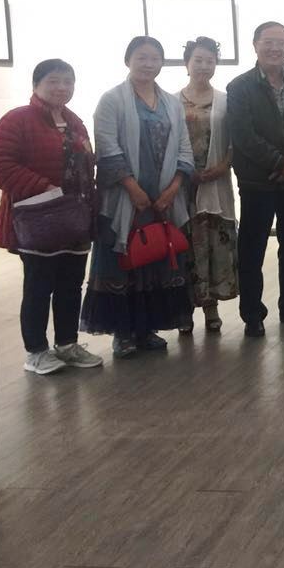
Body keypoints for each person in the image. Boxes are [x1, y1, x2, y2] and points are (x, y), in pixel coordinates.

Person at [81, 36, 195, 358]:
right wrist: (133, 188)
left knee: (155, 258)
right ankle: (123, 333)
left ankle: (146, 330)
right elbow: (107, 147)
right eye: (142, 57)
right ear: (128, 60)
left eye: (155, 58)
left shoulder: (171, 102)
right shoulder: (111, 100)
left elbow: (184, 148)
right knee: (123, 263)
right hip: (124, 200)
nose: (148, 64)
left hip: (163, 201)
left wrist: (172, 189)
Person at [0, 59, 103, 374]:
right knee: (38, 287)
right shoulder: (17, 120)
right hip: (39, 219)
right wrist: (46, 189)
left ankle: (67, 345)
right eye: (54, 81)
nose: (62, 87)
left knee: (71, 285)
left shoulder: (75, 121)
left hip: (75, 219)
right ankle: (36, 352)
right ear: (36, 84)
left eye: (68, 81)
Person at [227, 21, 284, 337]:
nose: (275, 48)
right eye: (268, 41)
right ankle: (253, 314)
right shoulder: (239, 87)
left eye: (281, 42)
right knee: (252, 248)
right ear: (255, 45)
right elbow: (243, 135)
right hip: (258, 182)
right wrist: (281, 162)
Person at [177, 36, 237, 334]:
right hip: (182, 185)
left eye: (209, 61)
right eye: (198, 60)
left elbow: (235, 141)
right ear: (187, 63)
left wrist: (223, 166)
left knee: (214, 245)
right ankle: (184, 311)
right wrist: (185, 172)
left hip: (216, 182)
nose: (203, 66)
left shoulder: (226, 100)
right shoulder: (171, 101)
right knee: (185, 247)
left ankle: (211, 308)